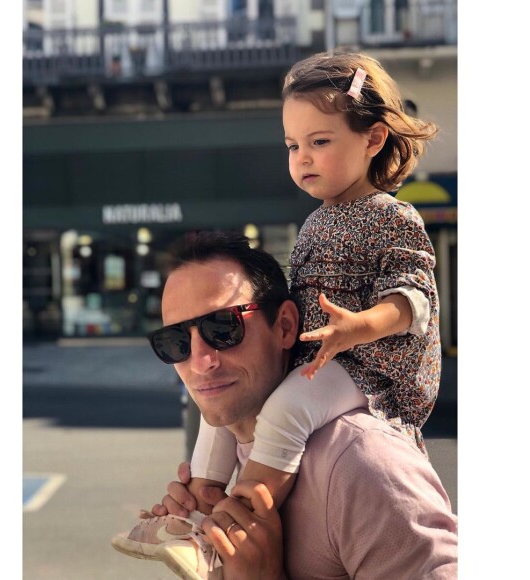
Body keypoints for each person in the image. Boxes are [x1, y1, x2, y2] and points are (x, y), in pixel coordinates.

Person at [113, 50, 444, 575]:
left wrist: (359, 327)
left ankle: (237, 519)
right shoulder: (315, 222)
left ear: (373, 138)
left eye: (319, 142)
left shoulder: (392, 216)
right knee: (217, 417)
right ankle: (199, 516)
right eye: (293, 146)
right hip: (321, 359)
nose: (303, 159)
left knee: (285, 411)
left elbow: (415, 299)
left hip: (369, 366)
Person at [113, 230, 457, 579]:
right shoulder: (226, 468)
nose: (201, 361)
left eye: (222, 328)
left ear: (285, 326)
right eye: (175, 341)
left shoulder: (363, 465)